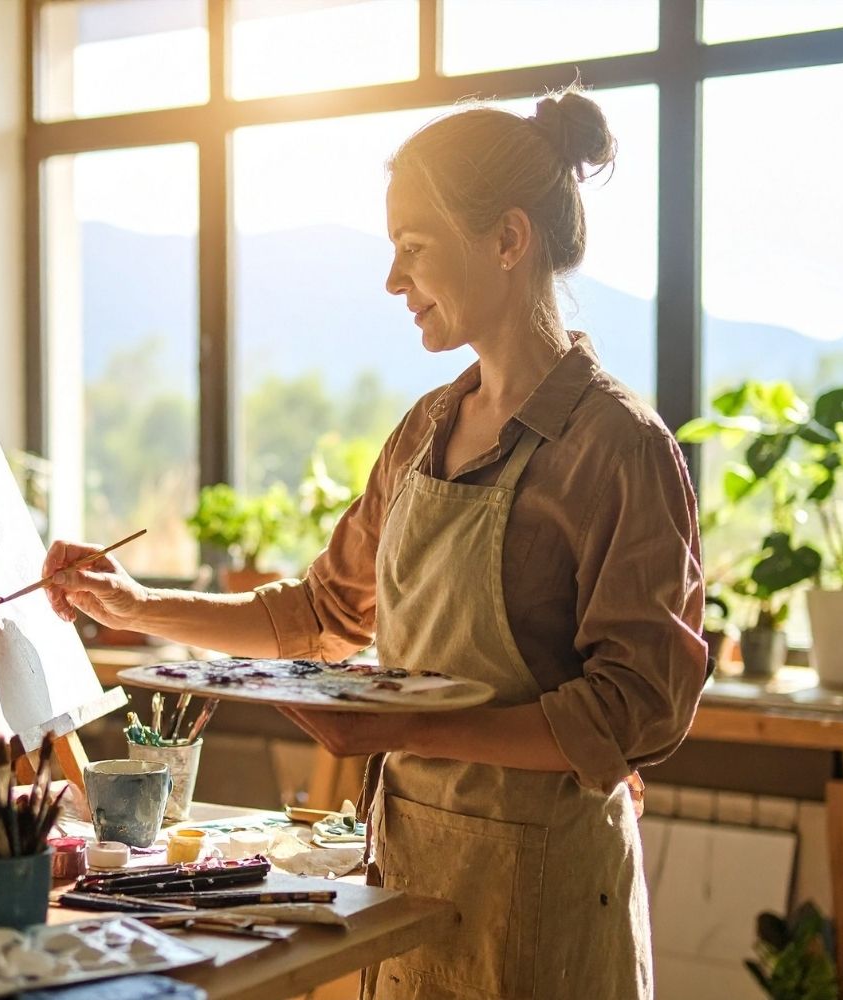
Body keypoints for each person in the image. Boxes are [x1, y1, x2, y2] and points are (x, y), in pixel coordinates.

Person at [44, 86, 707, 1000]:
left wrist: (402, 726)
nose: (393, 281)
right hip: (408, 869)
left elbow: (637, 712)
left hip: (550, 896)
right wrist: (137, 605)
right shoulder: (424, 431)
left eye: (413, 248)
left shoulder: (619, 447)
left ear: (507, 241)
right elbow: (322, 614)